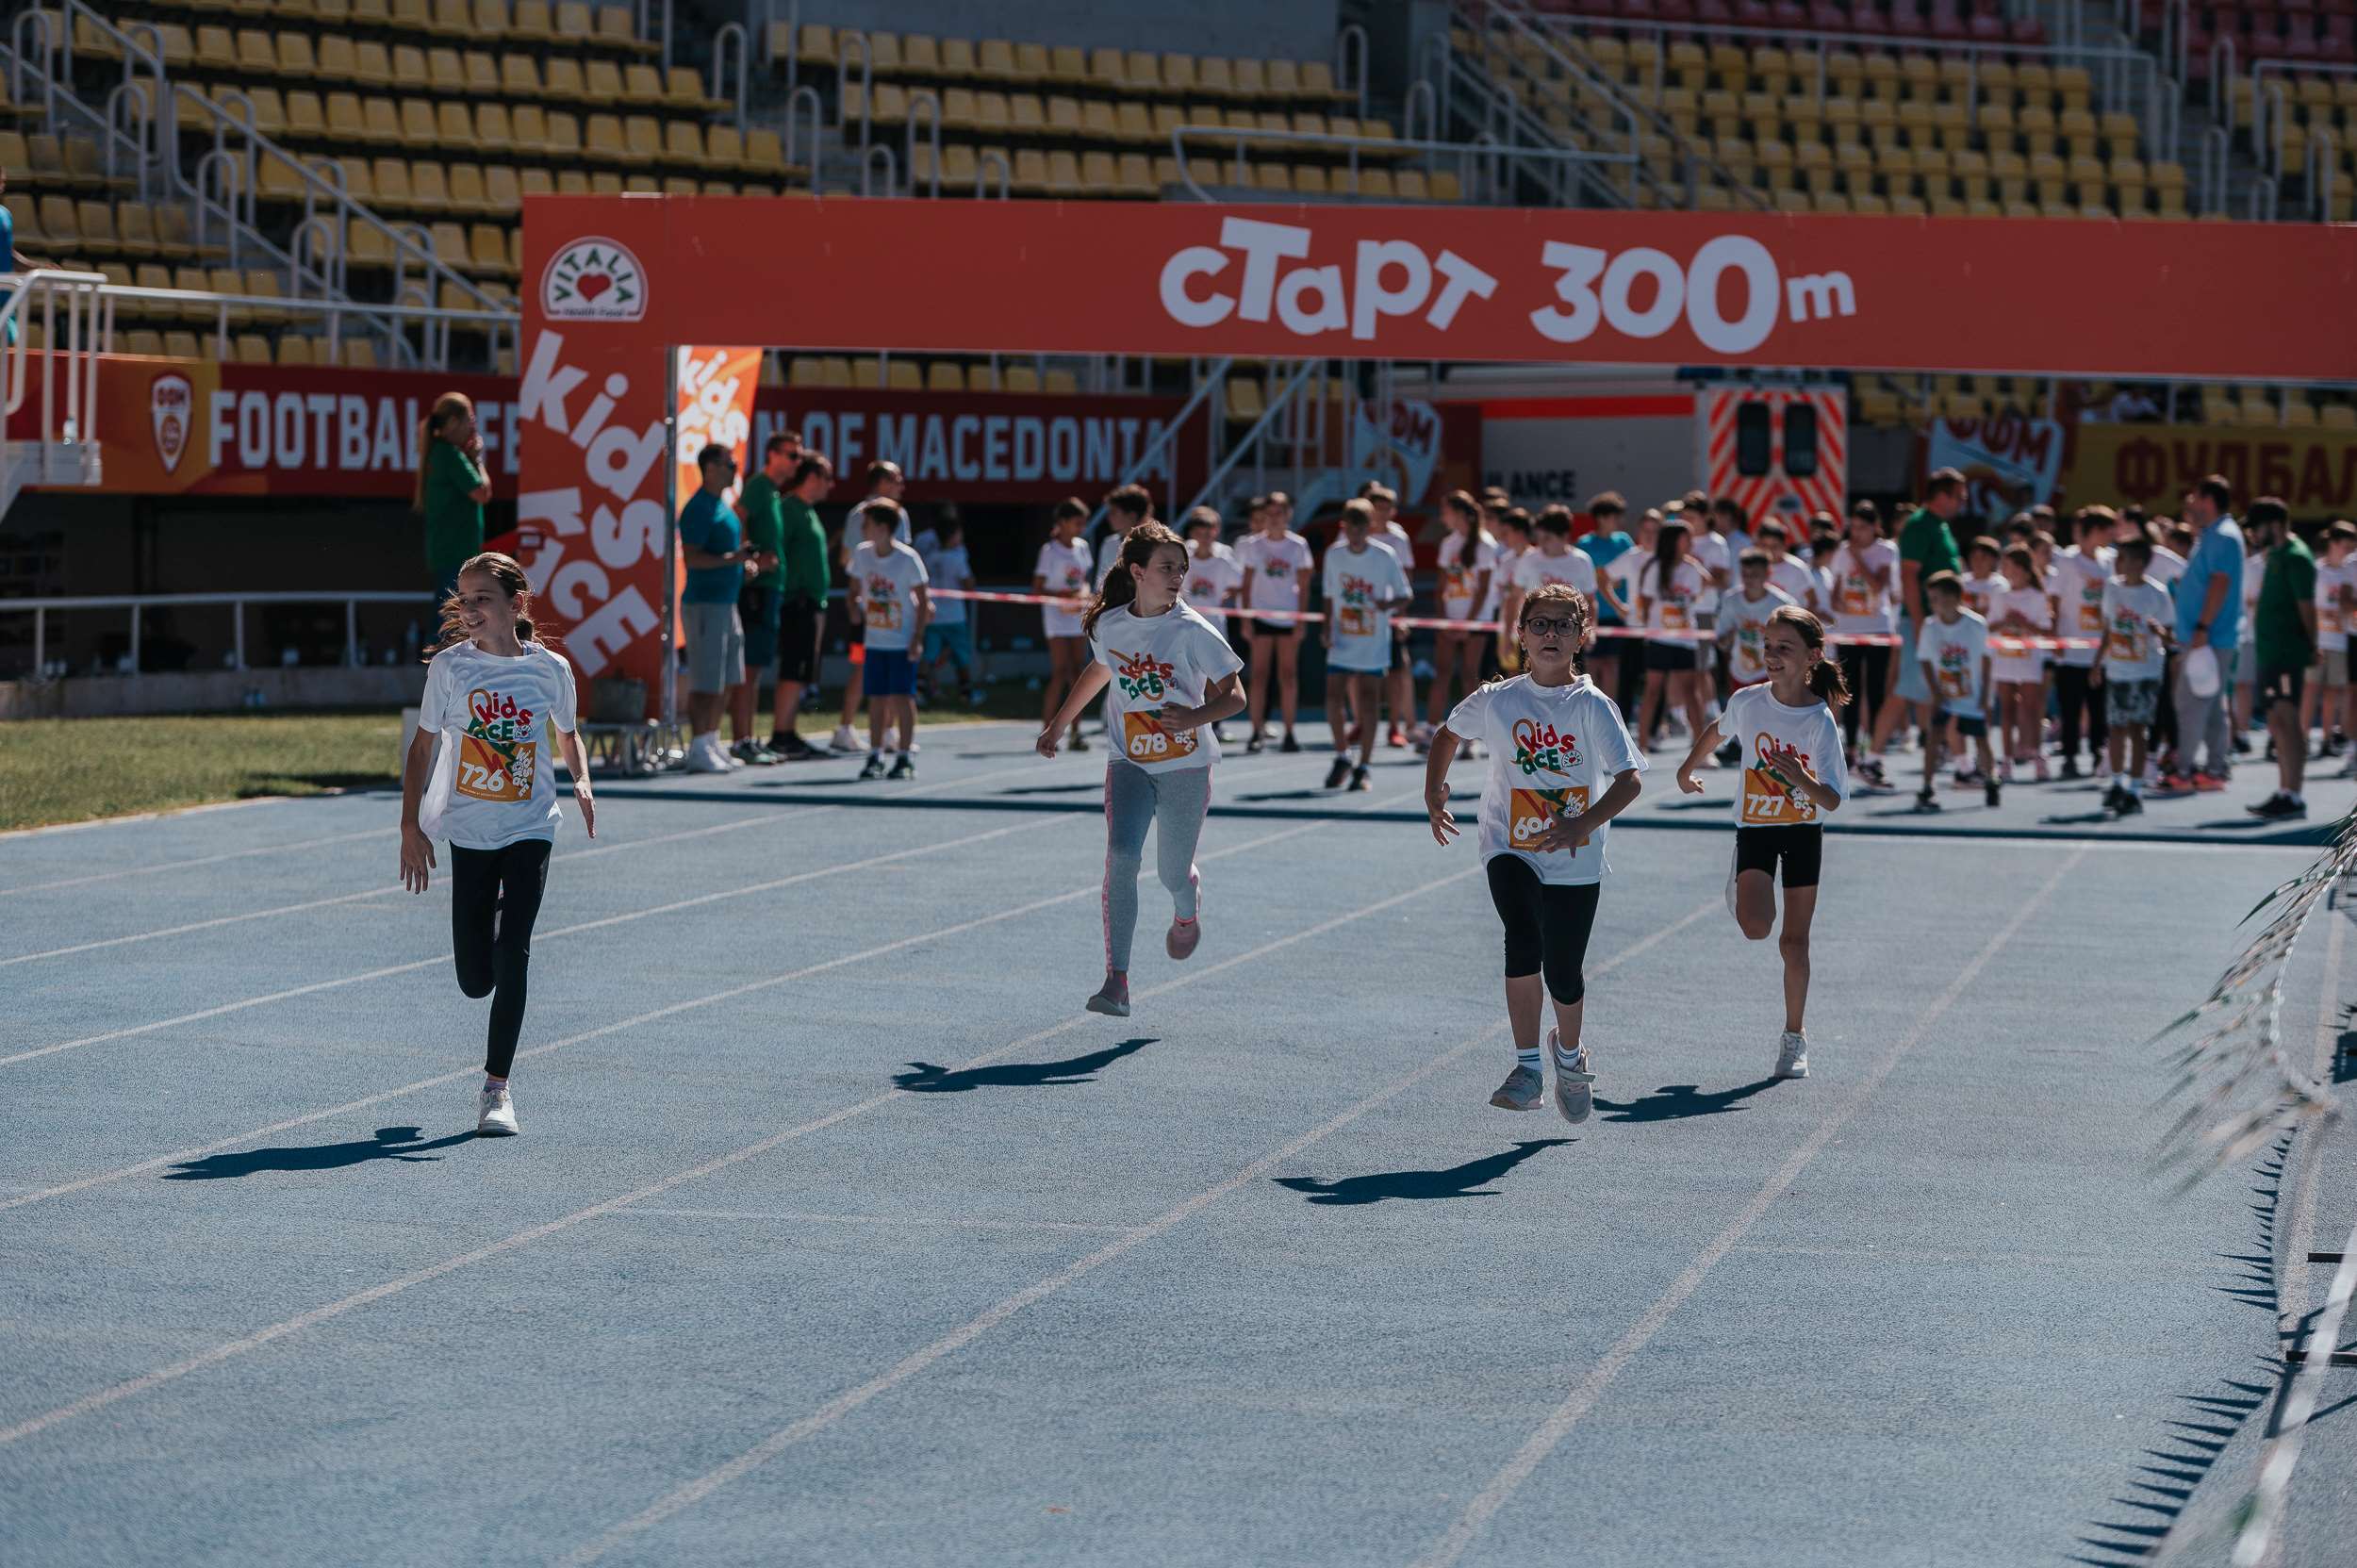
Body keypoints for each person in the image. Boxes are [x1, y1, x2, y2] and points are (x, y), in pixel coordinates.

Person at [1426, 584, 1645, 1123]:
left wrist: (1581, 825)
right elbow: (1448, 734)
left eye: (1563, 625)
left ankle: (1568, 1054)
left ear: (1581, 636)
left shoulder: (1593, 705)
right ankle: (1527, 1069)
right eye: (1540, 624)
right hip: (1508, 843)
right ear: (1520, 635)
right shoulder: (1498, 699)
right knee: (1522, 935)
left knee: (1564, 972)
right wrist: (1434, 792)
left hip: (1576, 854)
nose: (1551, 634)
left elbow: (1629, 781)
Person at [399, 552, 594, 1137]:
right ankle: (496, 919)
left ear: (516, 603)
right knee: (474, 980)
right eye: (464, 599)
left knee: (514, 953)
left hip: (531, 825)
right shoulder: (450, 669)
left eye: (482, 598)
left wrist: (581, 779)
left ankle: (496, 1089)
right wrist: (409, 826)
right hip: (471, 829)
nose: (470, 609)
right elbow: (422, 747)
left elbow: (568, 735)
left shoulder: (550, 670)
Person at [1036, 520, 1245, 1019]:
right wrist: (1057, 725)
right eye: (1167, 567)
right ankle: (1118, 981)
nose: (1178, 577)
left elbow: (1236, 697)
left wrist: (1193, 717)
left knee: (1172, 872)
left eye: (1182, 569)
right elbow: (1099, 670)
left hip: (1185, 767)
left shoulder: (1193, 630)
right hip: (1128, 760)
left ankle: (1186, 909)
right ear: (1137, 572)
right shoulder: (1111, 625)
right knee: (1121, 858)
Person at [1674, 604, 1849, 1080]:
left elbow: (1833, 799)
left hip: (1802, 833)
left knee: (1794, 942)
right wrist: (1687, 769)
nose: (1771, 655)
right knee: (1755, 927)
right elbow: (1716, 731)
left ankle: (1795, 1037)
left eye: (1784, 648)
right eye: (1767, 646)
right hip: (1756, 828)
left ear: (1812, 656)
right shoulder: (1748, 702)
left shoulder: (1819, 720)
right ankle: (1744, 879)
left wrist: (1801, 778)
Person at [1869, 470, 1965, 778]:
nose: (1962, 502)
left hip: (1940, 624)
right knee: (1905, 690)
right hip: (1923, 623)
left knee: (1940, 689)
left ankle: (1953, 756)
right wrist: (1921, 624)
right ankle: (1872, 758)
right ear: (1942, 495)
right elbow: (1909, 577)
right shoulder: (1920, 525)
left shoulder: (1939, 526)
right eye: (1958, 496)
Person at [675, 443, 763, 774]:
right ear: (710, 468)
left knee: (728, 678)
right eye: (730, 464)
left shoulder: (722, 506)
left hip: (727, 604)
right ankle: (699, 746)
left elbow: (727, 556)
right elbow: (693, 558)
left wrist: (743, 565)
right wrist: (734, 559)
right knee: (706, 680)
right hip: (704, 605)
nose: (735, 469)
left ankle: (711, 739)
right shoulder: (698, 508)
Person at [1322, 498, 1412, 792]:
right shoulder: (1334, 554)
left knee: (1369, 700)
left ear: (1370, 527)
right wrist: (1326, 627)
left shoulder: (1385, 555)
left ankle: (1364, 765)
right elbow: (1329, 595)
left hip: (1373, 640)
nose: (1356, 534)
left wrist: (1387, 605)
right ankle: (1342, 755)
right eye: (1351, 528)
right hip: (1342, 639)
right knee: (1333, 698)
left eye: (1362, 528)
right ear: (1344, 527)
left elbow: (1405, 593)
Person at [2170, 474, 2245, 789]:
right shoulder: (2213, 534)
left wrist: (2202, 628)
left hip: (2209, 637)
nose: (2190, 503)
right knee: (2212, 706)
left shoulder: (2222, 536)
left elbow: (2219, 583)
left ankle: (2184, 771)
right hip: (2209, 637)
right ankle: (2215, 770)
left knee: (2190, 704)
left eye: (2195, 497)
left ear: (2209, 500)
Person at [848, 497, 930, 781]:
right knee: (877, 699)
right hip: (874, 641)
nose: (862, 529)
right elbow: (853, 589)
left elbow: (924, 601)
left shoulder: (907, 559)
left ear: (883, 528)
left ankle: (905, 756)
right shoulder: (862, 554)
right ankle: (875, 755)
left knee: (902, 698)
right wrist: (853, 608)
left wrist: (917, 638)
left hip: (901, 642)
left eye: (867, 524)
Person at [2247, 497, 2316, 821]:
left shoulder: (2296, 557)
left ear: (2274, 525)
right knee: (2276, 721)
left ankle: (2294, 795)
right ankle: (2284, 790)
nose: (2253, 534)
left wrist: (2312, 644)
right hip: (2270, 652)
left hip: (2287, 653)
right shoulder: (2275, 554)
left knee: (2288, 721)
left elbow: (2306, 606)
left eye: (2257, 527)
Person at [832, 461, 909, 753]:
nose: (901, 486)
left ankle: (883, 730)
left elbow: (902, 558)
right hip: (877, 609)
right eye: (896, 480)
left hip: (887, 609)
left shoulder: (887, 514)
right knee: (866, 665)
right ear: (882, 482)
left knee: (885, 665)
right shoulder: (871, 515)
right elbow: (849, 559)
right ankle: (852, 728)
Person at [731, 433, 795, 766]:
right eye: (791, 455)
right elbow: (738, 516)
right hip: (757, 590)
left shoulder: (773, 492)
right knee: (749, 667)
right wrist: (751, 558)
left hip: (770, 589)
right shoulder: (758, 486)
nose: (796, 462)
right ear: (773, 454)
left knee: (755, 669)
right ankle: (741, 738)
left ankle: (749, 737)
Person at [766, 452, 833, 760]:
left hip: (811, 602)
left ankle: (789, 731)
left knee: (802, 669)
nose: (830, 485)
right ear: (812, 477)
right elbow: (779, 549)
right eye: (826, 477)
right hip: (797, 601)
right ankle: (781, 734)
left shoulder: (808, 512)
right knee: (793, 668)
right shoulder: (789, 509)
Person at [1234, 491, 1313, 752]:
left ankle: (1289, 732)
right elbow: (1246, 584)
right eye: (1270, 513)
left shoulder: (1298, 545)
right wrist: (1246, 618)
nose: (1275, 518)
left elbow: (1304, 585)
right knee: (1259, 675)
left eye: (1280, 512)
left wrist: (1300, 620)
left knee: (1288, 676)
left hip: (1288, 617)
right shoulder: (1253, 545)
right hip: (1260, 616)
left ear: (1288, 514)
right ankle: (1256, 731)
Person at [2100, 535, 2173, 816]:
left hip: (2145, 672)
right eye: (2120, 558)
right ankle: (2116, 782)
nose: (2121, 563)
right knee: (2115, 729)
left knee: (2137, 729)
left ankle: (2135, 789)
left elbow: (2169, 637)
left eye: (2127, 558)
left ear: (2141, 562)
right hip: (2117, 670)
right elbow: (2108, 628)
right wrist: (2097, 663)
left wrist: (2159, 631)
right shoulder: (2111, 588)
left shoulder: (2157, 593)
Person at [1913, 571, 1998, 809]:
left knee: (1981, 739)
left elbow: (1986, 660)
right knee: (1934, 738)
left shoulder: (1976, 625)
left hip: (1971, 695)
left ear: (1953, 597)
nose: (1932, 604)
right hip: (1944, 696)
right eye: (1930, 599)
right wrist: (1935, 692)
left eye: (1936, 598)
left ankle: (1992, 779)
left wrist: (1985, 694)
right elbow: (1925, 660)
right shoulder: (1930, 627)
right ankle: (1927, 786)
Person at [1828, 500, 1898, 779]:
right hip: (1849, 628)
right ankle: (1852, 746)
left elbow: (1878, 585)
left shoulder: (1885, 550)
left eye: (1862, 528)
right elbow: (1835, 590)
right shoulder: (1842, 552)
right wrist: (1838, 604)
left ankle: (1873, 747)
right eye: (1853, 527)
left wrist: (1857, 557)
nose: (1856, 533)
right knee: (1850, 688)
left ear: (1874, 527)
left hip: (1878, 628)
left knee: (1876, 688)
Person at [1426, 489, 1496, 751]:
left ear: (1459, 513)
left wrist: (1467, 623)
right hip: (1450, 619)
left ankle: (1470, 737)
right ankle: (1430, 729)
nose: (1442, 516)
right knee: (1442, 671)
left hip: (1475, 621)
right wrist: (1444, 619)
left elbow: (1484, 588)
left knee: (1469, 674)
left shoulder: (1485, 544)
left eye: (1446, 510)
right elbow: (1441, 585)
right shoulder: (1448, 543)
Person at [1634, 517, 1710, 755]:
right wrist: (1651, 626)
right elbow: (1646, 602)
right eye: (1687, 538)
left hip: (1685, 638)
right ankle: (1642, 745)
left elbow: (1700, 590)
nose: (1691, 543)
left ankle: (1701, 748)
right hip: (1659, 638)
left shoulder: (1692, 568)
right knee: (1653, 690)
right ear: (1674, 540)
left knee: (1691, 691)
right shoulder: (1655, 567)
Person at [2051, 506, 2117, 780]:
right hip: (2071, 646)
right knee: (2070, 706)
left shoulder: (2110, 560)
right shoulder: (2067, 561)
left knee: (2099, 705)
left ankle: (2099, 752)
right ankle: (2069, 756)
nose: (2111, 535)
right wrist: (2055, 637)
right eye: (2107, 529)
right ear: (2095, 530)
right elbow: (2054, 598)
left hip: (2101, 649)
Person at [416, 391, 492, 603]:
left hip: (449, 553)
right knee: (451, 617)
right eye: (470, 420)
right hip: (455, 555)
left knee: (451, 615)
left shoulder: (440, 452)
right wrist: (477, 460)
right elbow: (483, 493)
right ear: (452, 422)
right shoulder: (450, 454)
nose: (473, 428)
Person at [1035, 498, 1096, 753]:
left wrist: (1083, 594)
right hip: (1056, 616)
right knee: (1060, 671)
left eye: (1083, 523)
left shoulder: (1082, 547)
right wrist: (1063, 597)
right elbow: (1038, 588)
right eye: (1077, 522)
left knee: (1078, 673)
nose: (1081, 527)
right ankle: (1047, 729)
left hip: (1077, 615)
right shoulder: (1049, 551)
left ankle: (1076, 732)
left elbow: (1085, 580)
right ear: (1062, 522)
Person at [1362, 483, 1420, 749]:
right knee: (1360, 674)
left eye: (1387, 508)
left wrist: (1401, 617)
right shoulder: (1357, 535)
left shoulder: (1398, 539)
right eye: (1377, 507)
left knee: (1396, 671)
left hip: (1390, 617)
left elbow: (1406, 581)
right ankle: (1361, 723)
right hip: (1361, 618)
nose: (1382, 513)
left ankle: (1395, 726)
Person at [1990, 544, 2054, 782]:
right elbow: (1989, 626)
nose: (2006, 570)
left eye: (2010, 565)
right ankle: (2006, 759)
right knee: (2006, 710)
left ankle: (2037, 755)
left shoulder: (2037, 596)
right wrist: (2005, 621)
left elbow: (2046, 630)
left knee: (2031, 709)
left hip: (2029, 660)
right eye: (2005, 565)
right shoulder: (2000, 595)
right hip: (2004, 659)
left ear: (2023, 569)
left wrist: (2025, 624)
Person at [1577, 490, 1635, 715]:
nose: (1618, 521)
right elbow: (1584, 578)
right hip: (1592, 615)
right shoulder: (1585, 544)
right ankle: (1592, 712)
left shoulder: (1624, 541)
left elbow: (1632, 570)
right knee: (1592, 666)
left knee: (1612, 665)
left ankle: (1610, 713)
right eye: (1613, 516)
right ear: (1601, 518)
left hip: (1617, 615)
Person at [919, 514, 983, 706]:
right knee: (962, 656)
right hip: (955, 616)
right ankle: (966, 692)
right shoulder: (957, 558)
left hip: (932, 615)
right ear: (952, 536)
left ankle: (919, 691)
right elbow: (969, 584)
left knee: (928, 655)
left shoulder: (928, 558)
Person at [2309, 518, 2356, 762]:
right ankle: (2302, 738)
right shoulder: (2319, 570)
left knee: (2334, 693)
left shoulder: (2349, 568)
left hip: (2340, 641)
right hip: (2321, 640)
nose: (2348, 550)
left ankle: (2330, 739)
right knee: (2310, 691)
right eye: (2345, 545)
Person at [1720, 550, 1797, 694]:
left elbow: (1794, 644)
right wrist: (1729, 637)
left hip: (1772, 673)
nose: (1749, 579)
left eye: (1755, 575)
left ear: (1768, 573)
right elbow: (1722, 642)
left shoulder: (1783, 604)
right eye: (1745, 574)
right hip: (1739, 673)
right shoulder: (1730, 600)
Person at [1756, 520, 1821, 615]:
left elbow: (1813, 601)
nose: (1769, 550)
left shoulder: (1797, 568)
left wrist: (1798, 620)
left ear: (1784, 545)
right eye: (1764, 545)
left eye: (1775, 546)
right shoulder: (1754, 567)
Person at [1959, 536, 2006, 619]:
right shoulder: (1960, 581)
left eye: (1983, 558)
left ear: (1993, 560)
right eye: (1974, 557)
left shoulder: (2000, 585)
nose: (1978, 562)